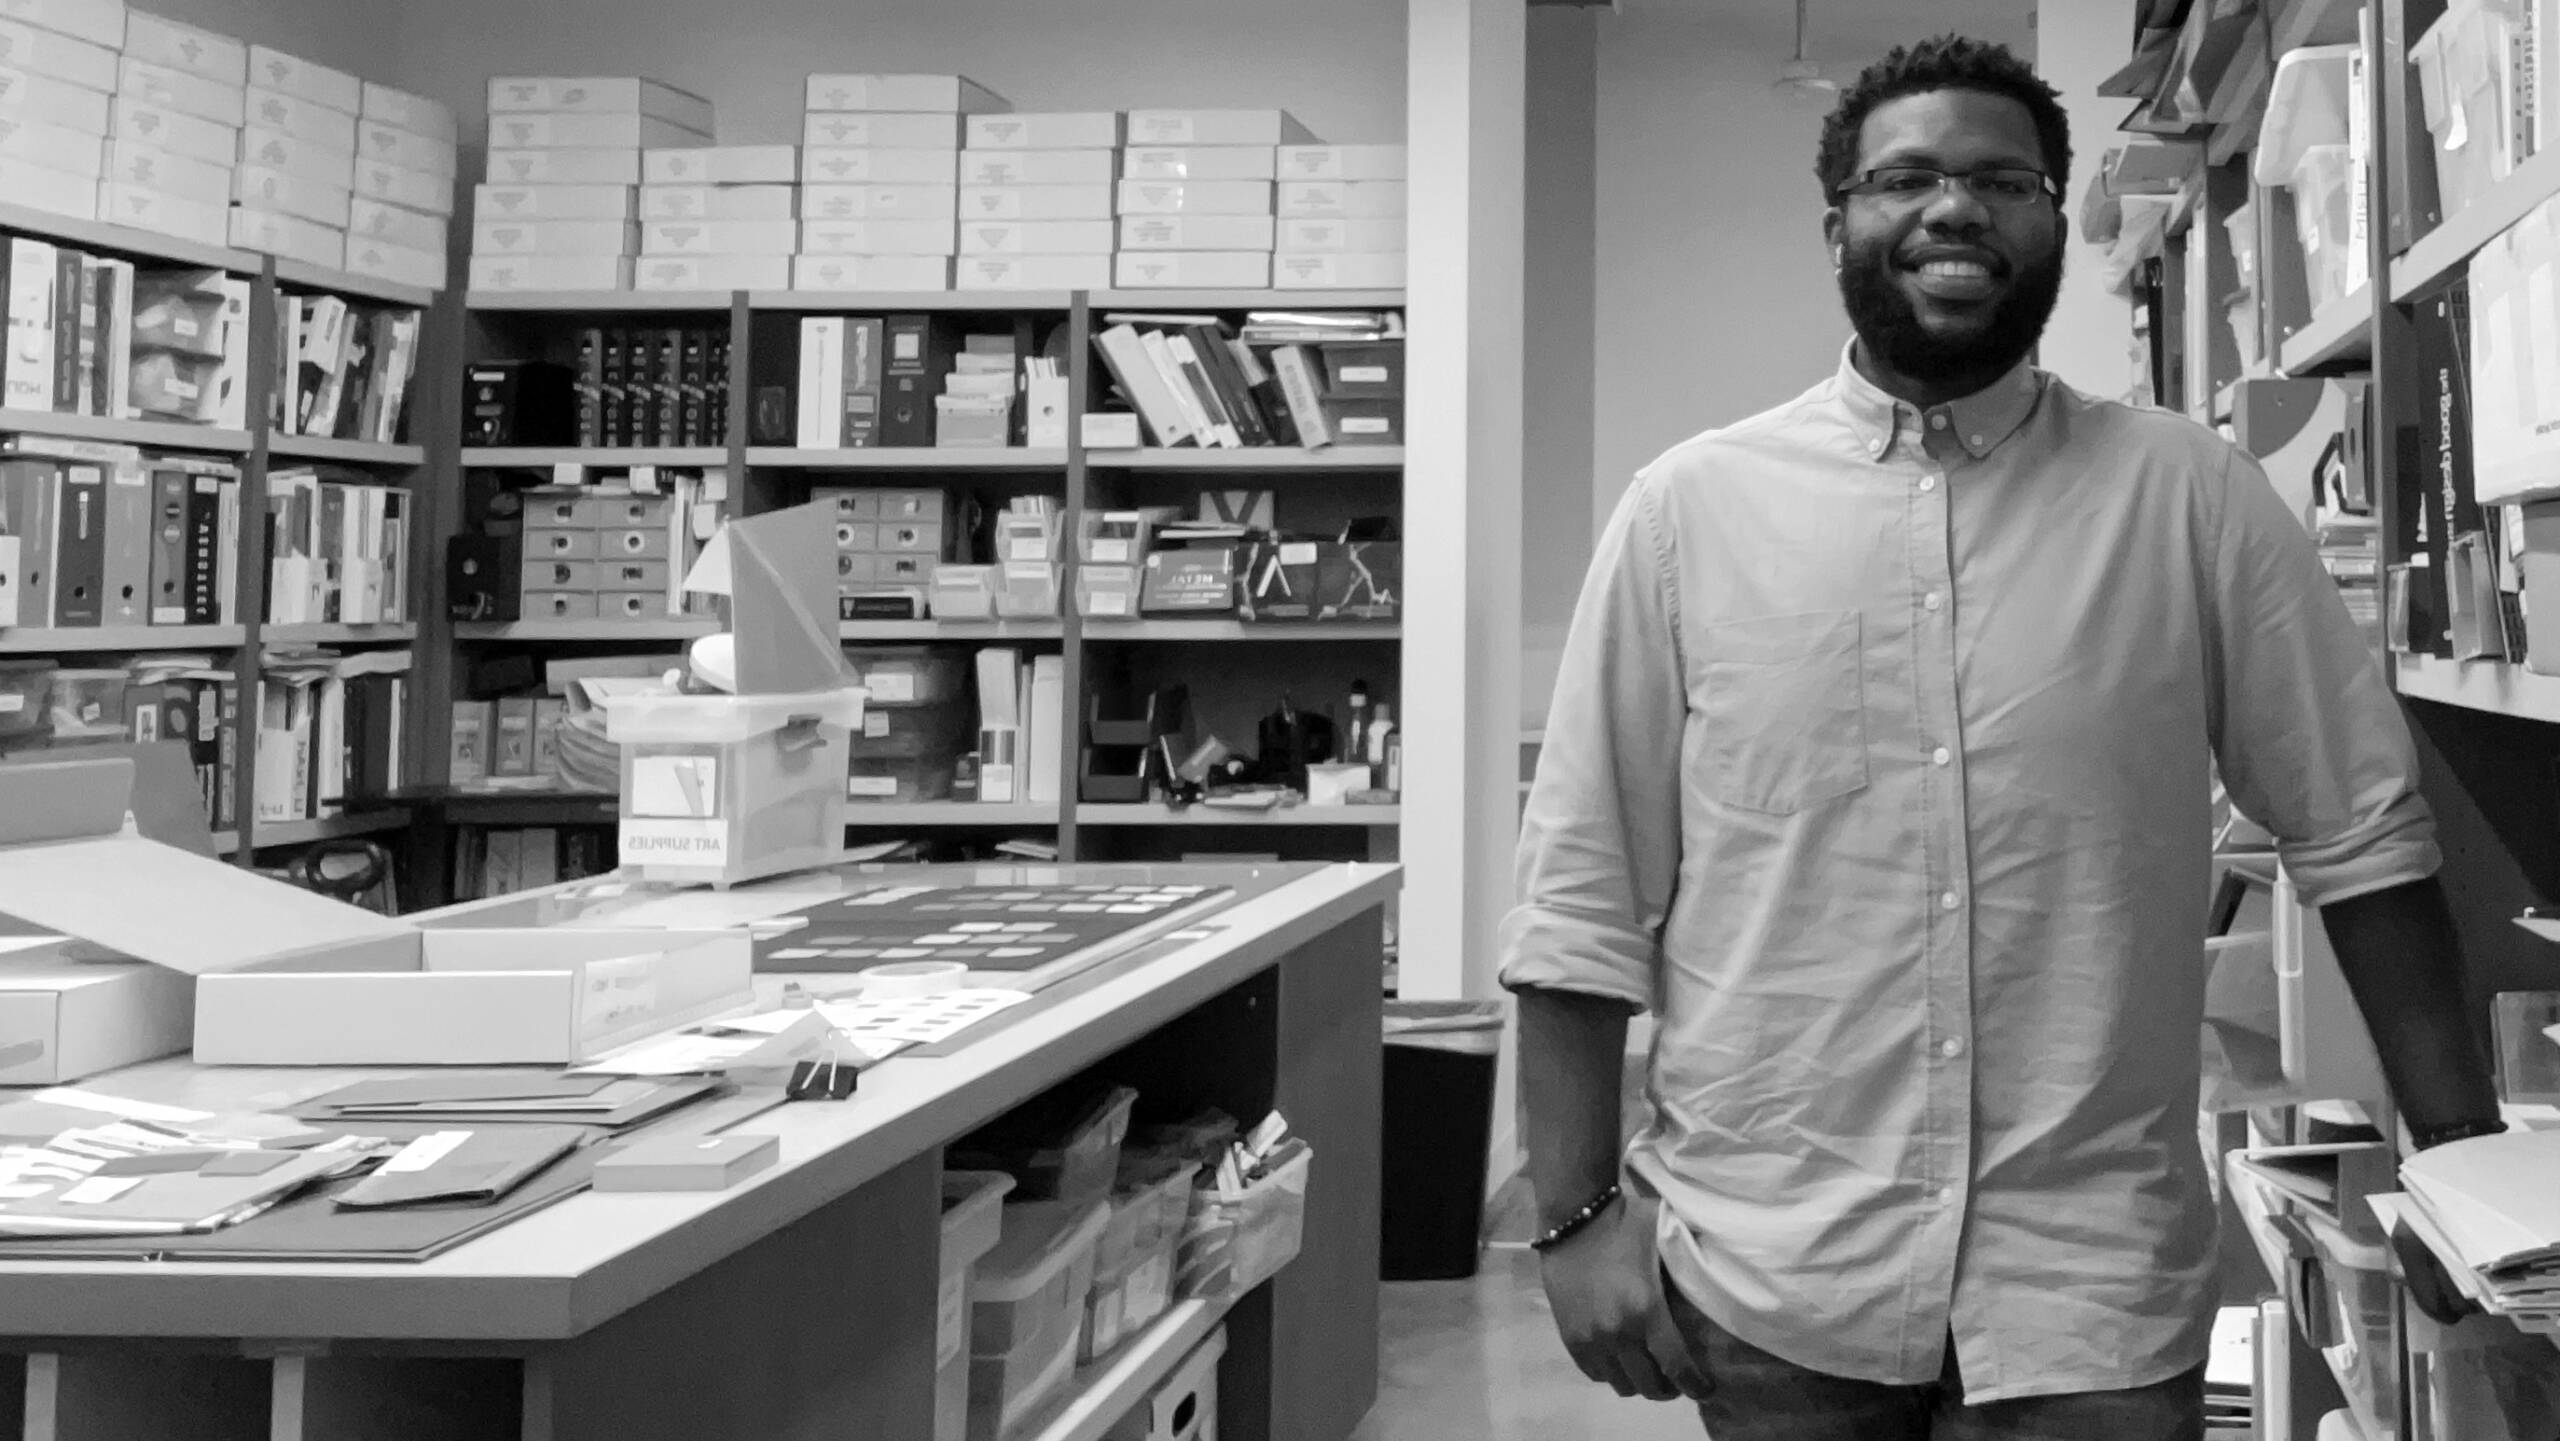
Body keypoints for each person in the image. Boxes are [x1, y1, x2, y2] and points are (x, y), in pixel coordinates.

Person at [1500, 34, 2502, 1441]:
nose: (1954, 207)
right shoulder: (1688, 515)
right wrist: (1572, 1216)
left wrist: (2458, 1162)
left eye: (2002, 179)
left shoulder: (2191, 499)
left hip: (2089, 1289)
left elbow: (2364, 834)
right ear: (1838, 224)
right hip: (1774, 1280)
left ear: (2050, 219)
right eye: (1904, 177)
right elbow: (1583, 894)